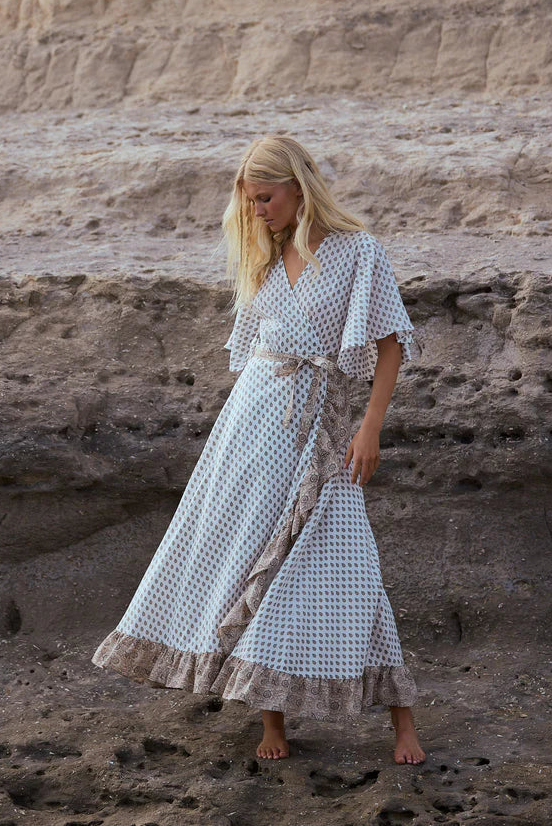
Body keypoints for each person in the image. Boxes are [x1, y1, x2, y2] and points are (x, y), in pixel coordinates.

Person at [92, 134, 426, 766]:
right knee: (250, 561)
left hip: (320, 431)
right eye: (250, 201)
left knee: (351, 567)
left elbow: (390, 344)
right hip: (250, 430)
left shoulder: (358, 251)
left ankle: (401, 719)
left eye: (266, 198)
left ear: (300, 187)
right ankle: (270, 718)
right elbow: (254, 357)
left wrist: (371, 426)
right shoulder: (267, 260)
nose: (256, 211)